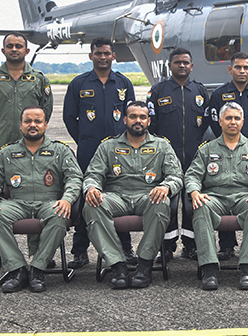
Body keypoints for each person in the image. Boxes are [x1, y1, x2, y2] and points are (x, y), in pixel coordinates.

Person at [0, 32, 53, 273]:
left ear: (27, 51)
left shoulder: (38, 78)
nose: (15, 49)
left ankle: (40, 253)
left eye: (19, 46)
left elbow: (45, 112)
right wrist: (1, 127)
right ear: (3, 50)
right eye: (10, 46)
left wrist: (29, 130)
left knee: (35, 191)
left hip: (31, 143)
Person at [0, 106, 82, 293]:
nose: (33, 125)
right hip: (17, 203)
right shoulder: (7, 153)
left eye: (37, 121)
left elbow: (75, 178)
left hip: (50, 202)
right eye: (28, 121)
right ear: (20, 125)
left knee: (59, 215)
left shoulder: (60, 150)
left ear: (45, 124)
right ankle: (17, 269)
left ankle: (38, 269)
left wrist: (67, 199)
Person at [82, 102, 180, 289]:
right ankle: (118, 266)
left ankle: (144, 265)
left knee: (161, 203)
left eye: (142, 117)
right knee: (92, 205)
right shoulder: (108, 146)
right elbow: (93, 174)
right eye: (133, 116)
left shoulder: (162, 145)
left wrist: (166, 186)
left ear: (148, 121)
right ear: (125, 119)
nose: (138, 121)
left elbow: (176, 175)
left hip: (147, 195)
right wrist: (92, 188)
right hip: (117, 196)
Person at [186, 102, 248, 291]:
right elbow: (192, 175)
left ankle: (247, 269)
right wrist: (194, 192)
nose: (232, 122)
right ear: (220, 121)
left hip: (244, 197)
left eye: (236, 118)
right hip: (215, 197)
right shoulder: (207, 149)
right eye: (228, 118)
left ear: (242, 122)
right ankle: (209, 269)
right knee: (200, 206)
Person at [63, 37, 136, 270]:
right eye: (98, 53)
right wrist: (85, 140)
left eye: (106, 53)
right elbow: (69, 117)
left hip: (120, 153)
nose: (102, 57)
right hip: (88, 151)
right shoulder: (79, 84)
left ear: (114, 56)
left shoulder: (123, 84)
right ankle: (80, 251)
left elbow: (130, 116)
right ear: (90, 56)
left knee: (120, 196)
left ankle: (125, 247)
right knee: (87, 199)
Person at [146, 47, 211, 261]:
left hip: (194, 156)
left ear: (191, 66)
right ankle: (167, 245)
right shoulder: (158, 91)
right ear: (170, 66)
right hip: (166, 158)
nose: (181, 65)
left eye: (185, 62)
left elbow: (204, 123)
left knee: (193, 202)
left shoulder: (200, 91)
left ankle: (191, 245)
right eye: (177, 62)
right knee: (167, 202)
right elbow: (152, 125)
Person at [207, 52, 248, 260]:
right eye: (238, 67)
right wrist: (226, 143)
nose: (242, 71)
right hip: (224, 149)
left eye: (246, 68)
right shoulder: (219, 95)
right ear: (230, 69)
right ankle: (226, 246)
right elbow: (216, 122)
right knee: (224, 189)